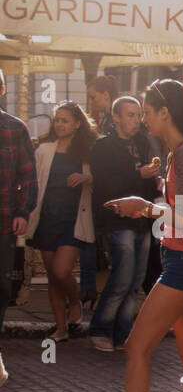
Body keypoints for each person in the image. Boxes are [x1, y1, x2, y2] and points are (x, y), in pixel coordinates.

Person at [108, 80, 183, 392]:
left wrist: (144, 206)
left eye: (149, 112)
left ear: (165, 113)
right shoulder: (181, 151)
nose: (144, 120)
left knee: (137, 346)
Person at [87, 96, 160, 352]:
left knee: (136, 279)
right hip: (117, 219)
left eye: (138, 114)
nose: (136, 120)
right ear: (116, 117)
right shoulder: (103, 146)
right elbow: (105, 184)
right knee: (121, 276)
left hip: (142, 218)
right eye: (130, 115)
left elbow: (145, 184)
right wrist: (138, 174)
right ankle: (100, 328)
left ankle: (123, 333)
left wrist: (155, 181)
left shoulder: (142, 143)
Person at [29, 102, 96, 342]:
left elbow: (101, 178)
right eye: (57, 120)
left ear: (77, 123)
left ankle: (75, 301)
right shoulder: (44, 150)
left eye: (65, 120)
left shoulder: (88, 151)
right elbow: (33, 181)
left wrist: (86, 177)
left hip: (74, 218)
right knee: (52, 275)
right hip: (47, 218)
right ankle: (60, 327)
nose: (59, 124)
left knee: (61, 270)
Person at [0, 70, 37, 331]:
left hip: (3, 223)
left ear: (2, 89)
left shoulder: (15, 128)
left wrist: (23, 212)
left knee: (1, 287)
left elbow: (29, 177)